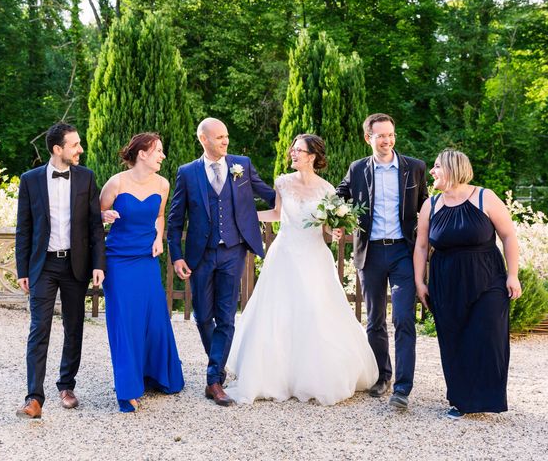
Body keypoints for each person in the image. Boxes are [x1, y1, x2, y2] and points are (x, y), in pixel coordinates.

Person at [225, 134, 379, 405]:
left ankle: (314, 376)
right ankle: (274, 376)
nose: (293, 154)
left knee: (315, 310)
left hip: (313, 255)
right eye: (293, 150)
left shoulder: (328, 189)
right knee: (277, 312)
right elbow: (276, 214)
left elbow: (329, 228)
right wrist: (244, 217)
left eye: (299, 151)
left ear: (312, 156)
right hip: (285, 253)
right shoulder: (282, 182)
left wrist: (336, 228)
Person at [167, 117, 275, 406]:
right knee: (203, 316)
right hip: (200, 254)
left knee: (226, 316)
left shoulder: (242, 164)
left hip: (233, 251)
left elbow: (269, 194)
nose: (225, 141)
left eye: (227, 136)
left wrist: (303, 193)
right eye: (219, 138)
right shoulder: (187, 173)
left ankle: (213, 379)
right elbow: (175, 219)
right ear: (203, 139)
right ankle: (217, 365)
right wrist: (176, 255)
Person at [414, 149, 521, 419]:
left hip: (488, 279)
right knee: (454, 339)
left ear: (452, 169)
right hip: (446, 283)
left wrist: (513, 275)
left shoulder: (485, 197)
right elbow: (422, 246)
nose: (432, 172)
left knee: (488, 337)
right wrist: (419, 282)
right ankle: (460, 401)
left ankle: (486, 398)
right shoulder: (432, 205)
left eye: (437, 167)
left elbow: (508, 236)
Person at [336, 113, 428, 410]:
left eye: (390, 134)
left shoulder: (414, 168)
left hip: (404, 252)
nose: (387, 140)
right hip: (371, 253)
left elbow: (426, 205)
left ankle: (402, 387)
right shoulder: (358, 168)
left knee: (403, 318)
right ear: (369, 138)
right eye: (380, 136)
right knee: (374, 320)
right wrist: (335, 216)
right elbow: (339, 195)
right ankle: (382, 376)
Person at [15, 122, 106, 419]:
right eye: (75, 145)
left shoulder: (87, 178)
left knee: (74, 327)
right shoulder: (30, 180)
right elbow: (24, 228)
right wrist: (22, 268)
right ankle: (34, 397)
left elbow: (95, 225)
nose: (80, 149)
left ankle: (66, 385)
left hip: (75, 264)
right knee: (38, 329)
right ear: (58, 149)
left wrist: (98, 264)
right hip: (43, 265)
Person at [100, 132, 184, 413]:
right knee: (126, 322)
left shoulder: (162, 184)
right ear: (142, 154)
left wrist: (158, 238)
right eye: (158, 151)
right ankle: (128, 388)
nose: (162, 155)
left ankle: (155, 376)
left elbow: (160, 215)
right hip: (119, 261)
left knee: (154, 319)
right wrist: (104, 216)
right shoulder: (116, 182)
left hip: (147, 260)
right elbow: (95, 213)